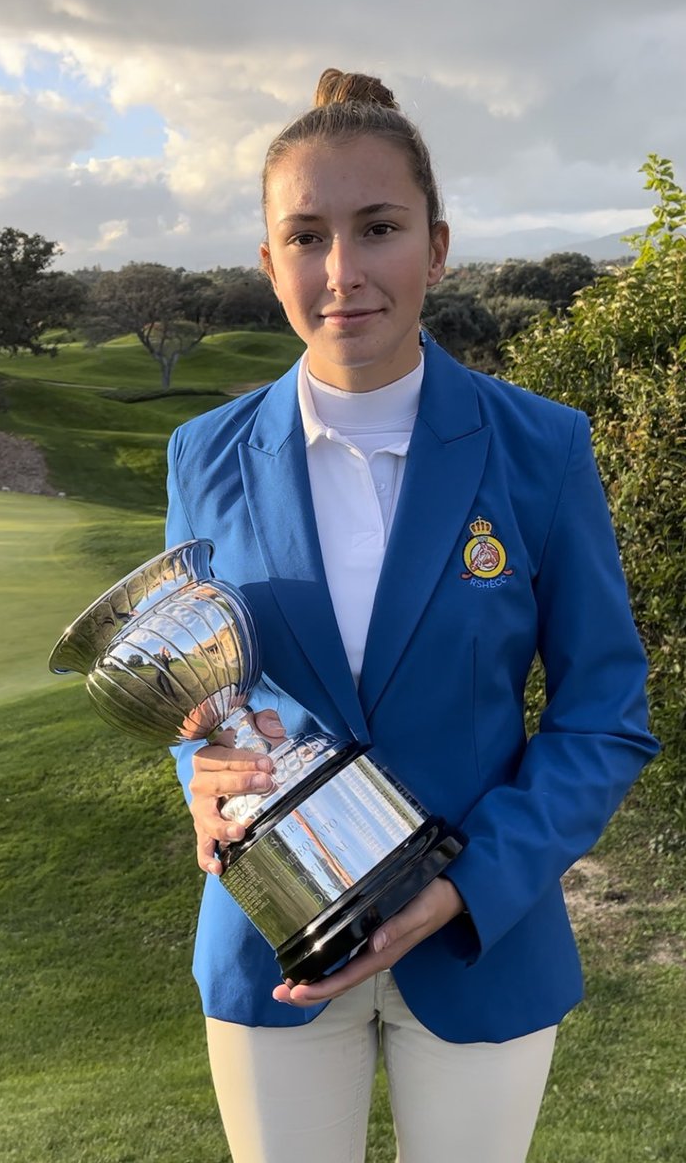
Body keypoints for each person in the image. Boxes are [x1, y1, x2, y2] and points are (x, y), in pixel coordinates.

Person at [165, 68, 658, 1163]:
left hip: (481, 940)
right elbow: (198, 688)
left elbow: (604, 713)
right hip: (272, 941)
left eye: (377, 228)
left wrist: (462, 888)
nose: (341, 272)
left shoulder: (542, 448)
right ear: (268, 263)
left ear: (436, 247)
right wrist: (200, 778)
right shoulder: (201, 457)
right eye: (305, 236)